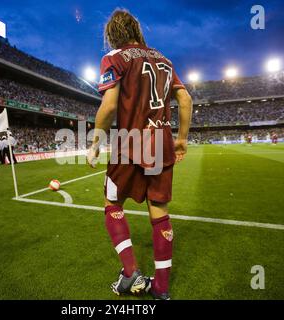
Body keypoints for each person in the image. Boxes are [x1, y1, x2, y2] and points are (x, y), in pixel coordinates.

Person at [86, 9, 192, 300]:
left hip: (130, 142)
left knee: (111, 200)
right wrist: (181, 139)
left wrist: (95, 142)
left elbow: (108, 106)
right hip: (161, 144)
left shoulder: (115, 57)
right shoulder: (165, 60)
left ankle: (131, 273)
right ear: (137, 30)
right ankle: (161, 288)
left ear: (113, 34)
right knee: (159, 211)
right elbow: (185, 98)